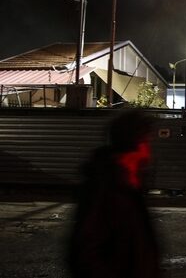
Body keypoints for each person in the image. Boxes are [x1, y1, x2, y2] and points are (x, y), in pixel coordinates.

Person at [68, 109, 161, 277]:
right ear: (134, 146)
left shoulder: (129, 187)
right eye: (146, 141)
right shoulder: (106, 189)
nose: (149, 150)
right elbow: (86, 252)